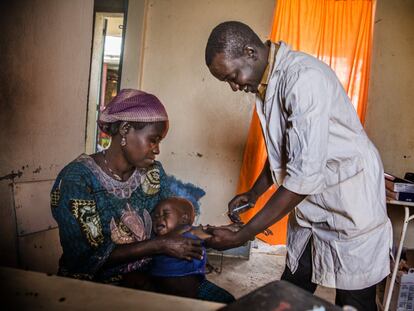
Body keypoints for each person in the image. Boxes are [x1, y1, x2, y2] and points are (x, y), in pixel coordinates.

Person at [204, 21, 392, 310]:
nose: (234, 86)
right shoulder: (266, 83)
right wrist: (254, 193)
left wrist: (243, 234)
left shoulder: (303, 79)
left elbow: (304, 175)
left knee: (354, 299)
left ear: (250, 52)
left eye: (232, 76)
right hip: (313, 204)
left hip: (349, 200)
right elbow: (287, 149)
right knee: (293, 286)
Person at [51, 89, 205, 286]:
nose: (157, 150)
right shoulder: (78, 179)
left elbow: (172, 226)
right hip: (96, 285)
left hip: (152, 274)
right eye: (153, 140)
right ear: (125, 129)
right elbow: (84, 258)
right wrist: (159, 245)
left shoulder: (153, 173)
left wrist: (210, 234)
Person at [150, 197, 235, 303]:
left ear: (184, 219)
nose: (158, 219)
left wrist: (233, 230)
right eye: (155, 217)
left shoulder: (189, 232)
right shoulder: (154, 240)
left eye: (165, 214)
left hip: (194, 290)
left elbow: (211, 233)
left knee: (228, 301)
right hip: (163, 292)